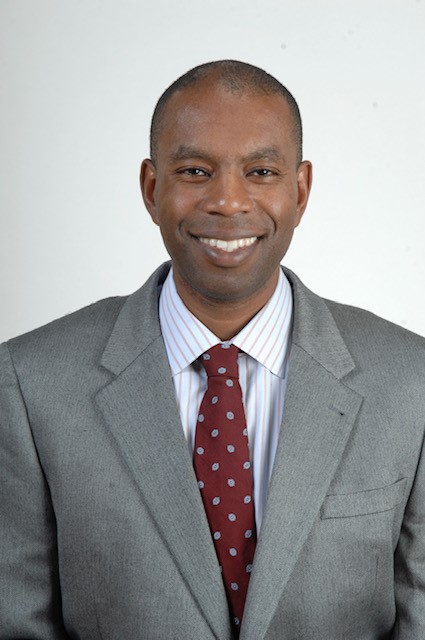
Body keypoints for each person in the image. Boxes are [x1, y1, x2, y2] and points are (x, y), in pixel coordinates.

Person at [0, 60, 424, 640]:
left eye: (261, 171)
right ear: (152, 188)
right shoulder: (30, 384)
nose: (228, 201)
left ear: (300, 190)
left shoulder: (409, 383)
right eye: (196, 171)